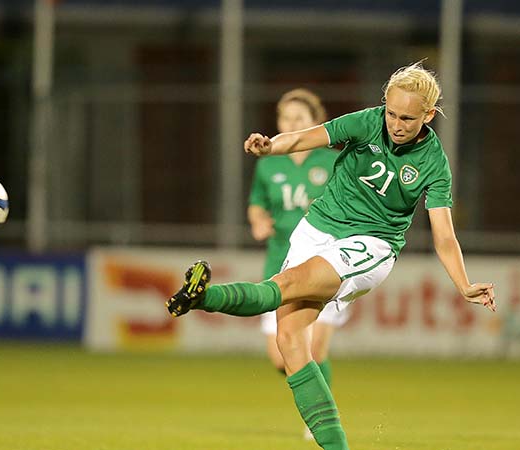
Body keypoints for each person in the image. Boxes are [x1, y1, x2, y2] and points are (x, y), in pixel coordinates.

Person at [166, 62, 496, 450]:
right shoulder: (366, 122)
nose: (396, 123)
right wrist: (270, 146)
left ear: (428, 115)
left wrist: (463, 284)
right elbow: (306, 138)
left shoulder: (433, 163)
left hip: (371, 244)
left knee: (284, 286)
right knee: (288, 340)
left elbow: (444, 235)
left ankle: (204, 297)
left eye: (407, 117)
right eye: (391, 113)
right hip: (317, 228)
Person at [248, 88, 349, 439]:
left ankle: (320, 417)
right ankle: (317, 396)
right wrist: (258, 220)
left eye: (298, 119)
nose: (290, 124)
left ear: (314, 123)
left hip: (327, 263)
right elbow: (257, 203)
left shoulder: (332, 160)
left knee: (314, 348)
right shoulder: (268, 163)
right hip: (280, 264)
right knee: (281, 358)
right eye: (285, 119)